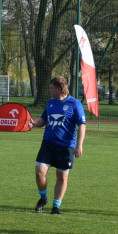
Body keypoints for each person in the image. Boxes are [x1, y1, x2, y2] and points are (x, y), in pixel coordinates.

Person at [29, 75, 86, 214]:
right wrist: (33, 124)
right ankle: (43, 198)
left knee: (62, 176)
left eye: (52, 88)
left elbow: (82, 125)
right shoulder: (51, 103)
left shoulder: (75, 104)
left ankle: (56, 206)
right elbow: (43, 120)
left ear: (59, 89)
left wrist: (79, 145)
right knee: (39, 172)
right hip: (48, 144)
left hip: (66, 147)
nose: (50, 90)